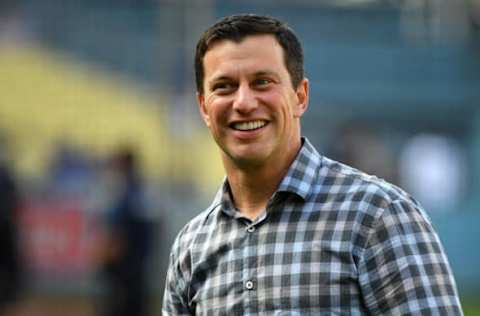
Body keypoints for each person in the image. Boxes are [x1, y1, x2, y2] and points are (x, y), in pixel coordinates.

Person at [162, 14, 463, 315]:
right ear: (203, 107)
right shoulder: (191, 247)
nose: (243, 102)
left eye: (262, 82)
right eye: (224, 86)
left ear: (300, 96)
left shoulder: (378, 215)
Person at [96, 148, 154, 316]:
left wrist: (108, 254)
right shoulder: (142, 190)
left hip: (124, 262)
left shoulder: (124, 192)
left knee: (119, 303)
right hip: (138, 262)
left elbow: (118, 230)